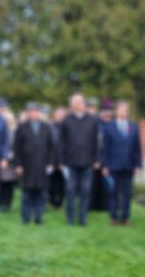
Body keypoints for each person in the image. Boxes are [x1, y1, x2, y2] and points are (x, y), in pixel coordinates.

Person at [59, 93, 99, 226]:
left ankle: (83, 218)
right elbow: (62, 142)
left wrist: (96, 159)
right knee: (70, 191)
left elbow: (95, 141)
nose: (78, 104)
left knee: (85, 191)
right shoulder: (67, 120)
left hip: (87, 162)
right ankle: (70, 218)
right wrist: (62, 161)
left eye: (80, 102)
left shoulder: (91, 120)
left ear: (84, 104)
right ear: (71, 105)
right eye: (75, 102)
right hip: (70, 162)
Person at [102, 101, 142, 226]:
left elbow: (137, 148)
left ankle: (125, 217)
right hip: (113, 165)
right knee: (113, 192)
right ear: (116, 111)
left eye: (126, 110)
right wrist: (105, 166)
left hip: (129, 165)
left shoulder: (134, 127)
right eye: (121, 110)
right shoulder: (109, 127)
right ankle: (114, 217)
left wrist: (138, 165)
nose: (124, 112)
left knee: (127, 193)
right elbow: (105, 149)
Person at [14, 103, 54, 224]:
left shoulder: (46, 127)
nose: (34, 113)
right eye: (31, 111)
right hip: (27, 165)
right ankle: (26, 217)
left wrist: (50, 163)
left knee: (41, 193)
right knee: (27, 193)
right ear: (28, 113)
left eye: (36, 111)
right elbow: (17, 148)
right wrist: (18, 164)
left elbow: (51, 146)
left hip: (42, 165)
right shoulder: (22, 127)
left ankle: (38, 217)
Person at [0, 102, 17, 212]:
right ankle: (0, 204)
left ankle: (8, 204)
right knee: (1, 184)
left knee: (10, 185)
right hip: (2, 161)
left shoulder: (15, 132)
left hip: (12, 162)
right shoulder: (0, 132)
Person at [48, 107, 67, 208]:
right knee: (51, 182)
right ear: (54, 115)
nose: (60, 116)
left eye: (62, 114)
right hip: (51, 158)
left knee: (62, 182)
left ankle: (60, 201)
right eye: (58, 114)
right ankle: (51, 200)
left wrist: (62, 161)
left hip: (63, 159)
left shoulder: (67, 127)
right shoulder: (50, 127)